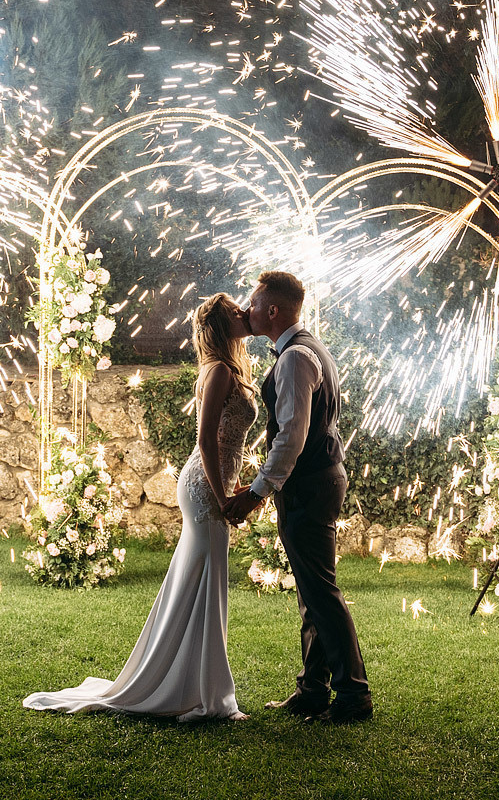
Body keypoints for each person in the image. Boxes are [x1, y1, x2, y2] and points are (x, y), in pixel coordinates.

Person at [23, 293, 256, 722]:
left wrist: (233, 483)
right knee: (206, 588)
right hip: (206, 489)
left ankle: (196, 686)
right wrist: (223, 495)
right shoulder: (221, 370)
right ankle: (208, 696)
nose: (245, 313)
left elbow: (226, 441)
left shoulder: (225, 368)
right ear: (223, 326)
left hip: (213, 483)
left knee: (203, 586)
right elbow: (207, 440)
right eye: (236, 312)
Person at [222, 270, 373, 724]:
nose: (247, 311)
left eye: (253, 304)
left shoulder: (293, 359)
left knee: (321, 593)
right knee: (312, 592)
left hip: (310, 483)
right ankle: (313, 690)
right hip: (318, 479)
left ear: (273, 310)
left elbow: (291, 437)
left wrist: (256, 490)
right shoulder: (308, 348)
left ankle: (353, 696)